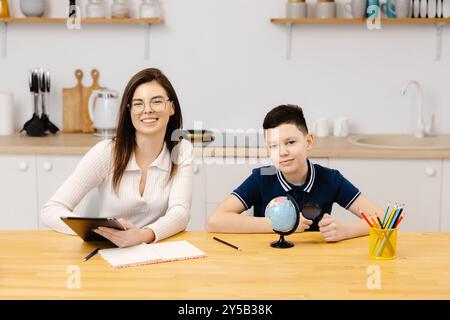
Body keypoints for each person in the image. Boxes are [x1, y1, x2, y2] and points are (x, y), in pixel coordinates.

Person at [41, 68, 193, 247]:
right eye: (138, 104)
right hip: (109, 253)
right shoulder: (106, 153)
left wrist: (143, 235)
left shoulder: (181, 150)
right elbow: (51, 210)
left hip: (156, 253)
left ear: (172, 107)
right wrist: (104, 232)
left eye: (157, 102)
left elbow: (180, 213)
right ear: (129, 112)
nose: (147, 110)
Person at [207, 104, 383, 242]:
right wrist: (282, 225)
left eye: (290, 142)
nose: (282, 152)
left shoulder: (329, 178)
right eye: (273, 146)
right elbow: (215, 220)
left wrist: (345, 231)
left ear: (309, 141)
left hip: (314, 266)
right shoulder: (262, 176)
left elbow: (382, 219)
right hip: (269, 265)